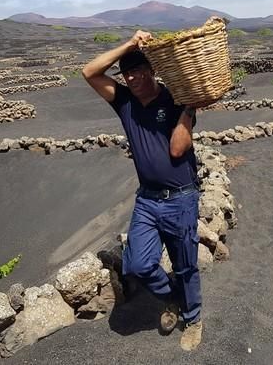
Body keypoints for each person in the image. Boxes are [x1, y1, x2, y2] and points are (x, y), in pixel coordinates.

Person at [82, 30, 206, 351]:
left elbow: (178, 150)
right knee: (137, 264)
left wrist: (189, 109)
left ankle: (193, 320)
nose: (133, 78)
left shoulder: (176, 99)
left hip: (181, 198)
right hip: (148, 200)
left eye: (138, 70)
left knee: (185, 265)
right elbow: (89, 72)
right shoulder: (125, 102)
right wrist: (128, 45)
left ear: (152, 71)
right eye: (127, 73)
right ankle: (174, 298)